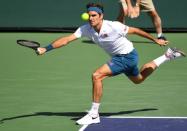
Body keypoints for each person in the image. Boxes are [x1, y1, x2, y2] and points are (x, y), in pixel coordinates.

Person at [37, 3, 185, 125]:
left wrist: (155, 39)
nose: (91, 18)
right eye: (89, 15)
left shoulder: (113, 26)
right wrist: (46, 48)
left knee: (97, 76)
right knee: (139, 79)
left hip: (126, 57)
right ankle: (167, 56)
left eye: (94, 15)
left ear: (101, 16)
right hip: (127, 57)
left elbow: (136, 31)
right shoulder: (86, 29)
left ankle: (94, 114)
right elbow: (66, 39)